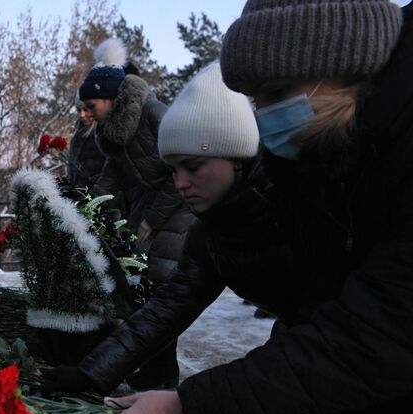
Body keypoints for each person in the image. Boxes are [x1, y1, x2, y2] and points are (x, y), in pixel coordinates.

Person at [105, 1, 412, 414]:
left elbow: (376, 332)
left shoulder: (363, 157)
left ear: (339, 60)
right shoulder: (321, 154)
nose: (265, 115)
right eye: (255, 99)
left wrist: (191, 405)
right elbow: (315, 307)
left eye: (274, 94)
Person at [44, 62, 295, 396]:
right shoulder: (212, 232)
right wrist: (91, 375)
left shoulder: (294, 204)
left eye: (192, 167)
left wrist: (195, 405)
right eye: (174, 169)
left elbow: (335, 322)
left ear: (235, 155)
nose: (180, 183)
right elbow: (167, 309)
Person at [77, 38, 194, 389]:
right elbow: (109, 177)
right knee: (147, 291)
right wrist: (82, 209)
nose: (87, 111)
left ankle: (162, 375)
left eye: (91, 103)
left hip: (177, 210)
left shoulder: (154, 114)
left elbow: (183, 172)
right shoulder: (113, 131)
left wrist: (152, 220)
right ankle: (158, 370)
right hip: (152, 210)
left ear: (110, 99)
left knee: (159, 288)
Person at [66, 92, 106, 190]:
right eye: (79, 110)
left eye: (86, 109)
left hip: (99, 197)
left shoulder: (104, 134)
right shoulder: (77, 135)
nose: (82, 115)